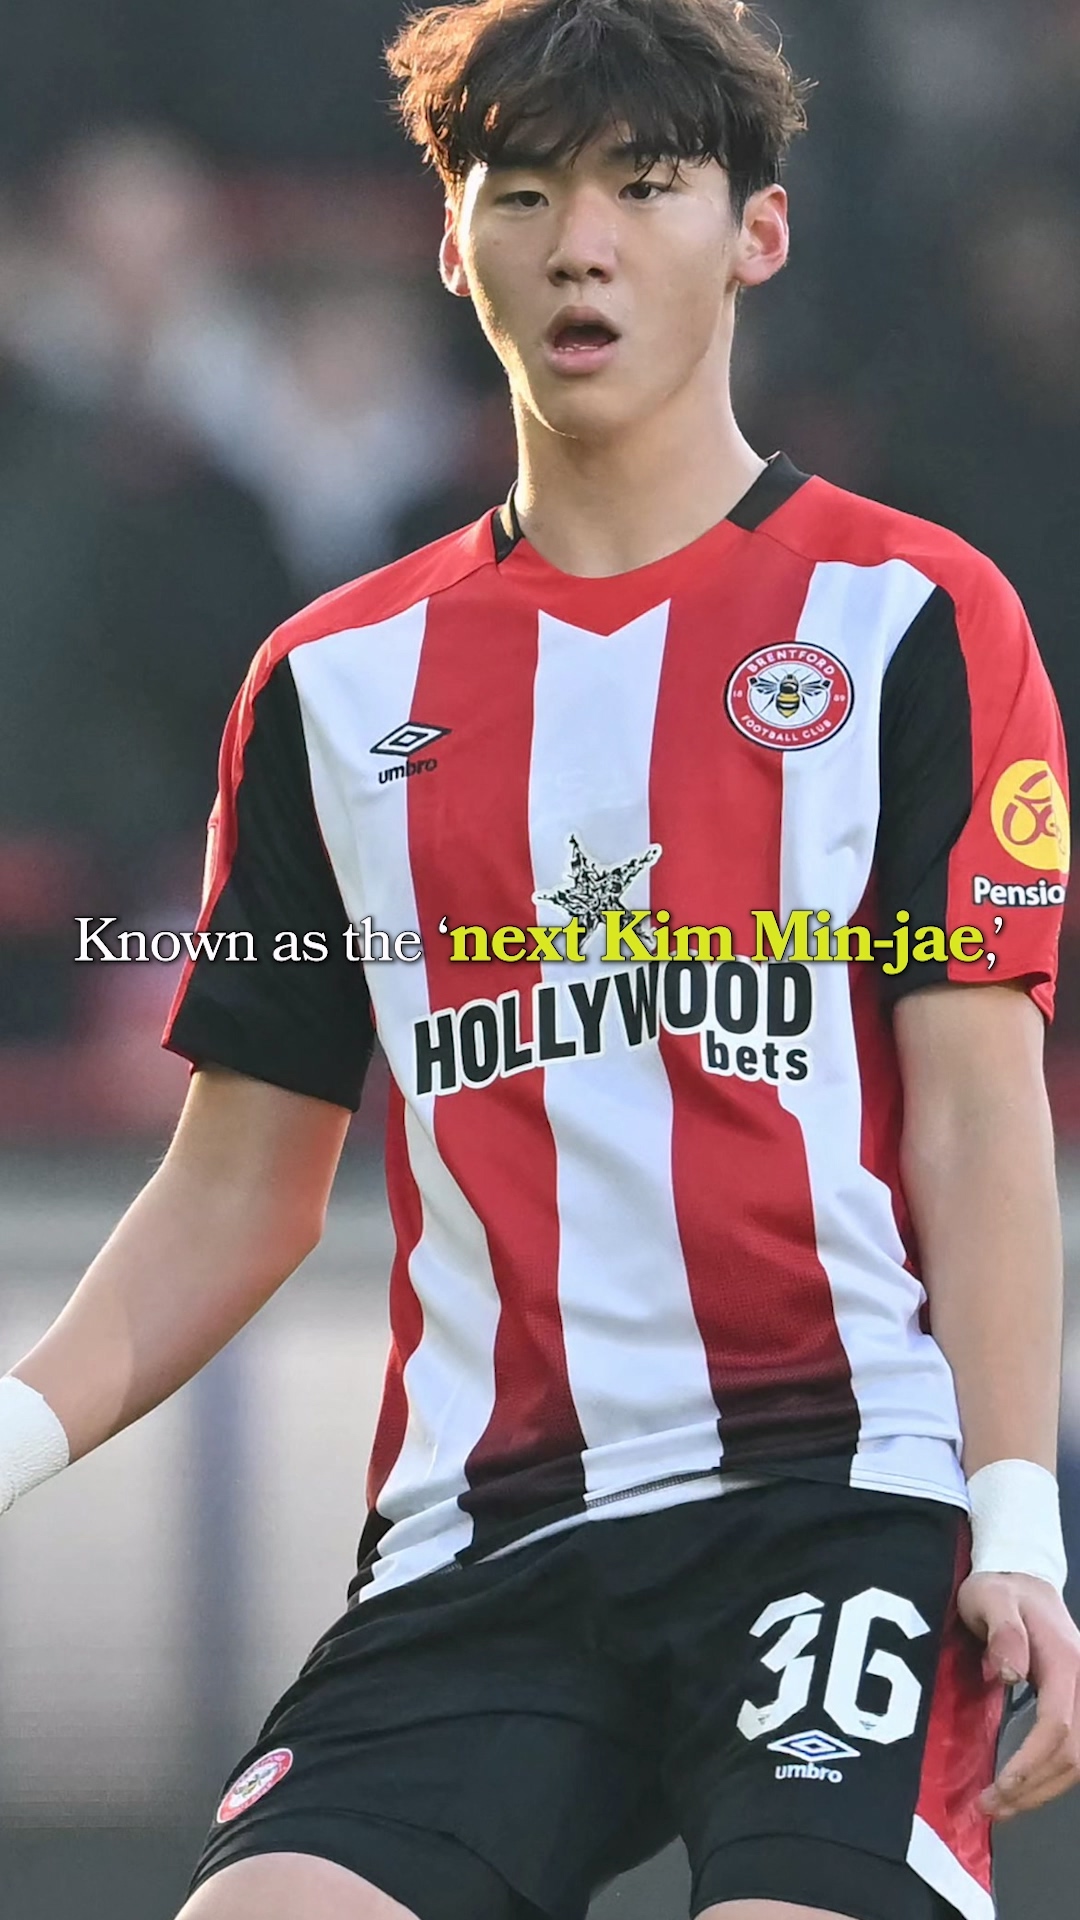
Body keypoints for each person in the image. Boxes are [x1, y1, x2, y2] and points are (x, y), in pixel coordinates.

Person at [2, 4, 1078, 1918]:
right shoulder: (333, 685)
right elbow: (241, 1185)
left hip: (839, 1498)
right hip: (483, 1541)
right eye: (523, 189)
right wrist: (9, 1436)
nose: (579, 239)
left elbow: (982, 1117)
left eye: (643, 187)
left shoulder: (912, 617)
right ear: (451, 242)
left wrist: (1017, 1507)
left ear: (756, 233)